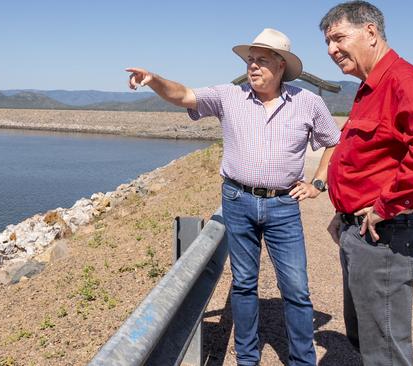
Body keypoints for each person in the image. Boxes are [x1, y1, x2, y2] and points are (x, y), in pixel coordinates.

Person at [127, 28, 340, 366]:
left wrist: (318, 183)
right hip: (237, 201)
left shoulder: (308, 102)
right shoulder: (230, 96)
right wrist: (154, 80)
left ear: (281, 65)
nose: (253, 67)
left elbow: (333, 140)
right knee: (243, 285)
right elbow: (184, 95)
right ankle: (247, 359)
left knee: (296, 290)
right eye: (250, 61)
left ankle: (303, 361)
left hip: (283, 205)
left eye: (262, 61)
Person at [319, 2, 413, 365]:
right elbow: (367, 160)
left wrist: (386, 204)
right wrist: (343, 211)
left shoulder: (403, 81)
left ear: (370, 32)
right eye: (328, 43)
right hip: (361, 232)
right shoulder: (370, 88)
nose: (332, 50)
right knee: (366, 339)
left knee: (385, 353)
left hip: (386, 237)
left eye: (338, 38)